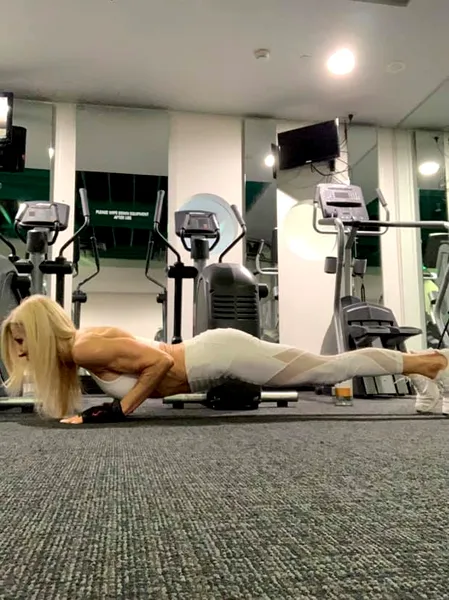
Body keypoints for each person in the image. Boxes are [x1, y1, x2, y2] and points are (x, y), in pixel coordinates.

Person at [1, 295, 448, 425]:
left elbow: (157, 362)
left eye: (22, 342)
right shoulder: (80, 347)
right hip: (212, 353)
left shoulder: (84, 348)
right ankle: (424, 373)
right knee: (325, 366)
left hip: (216, 355)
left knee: (328, 369)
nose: (20, 353)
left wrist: (119, 410)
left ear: (39, 332)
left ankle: (430, 364)